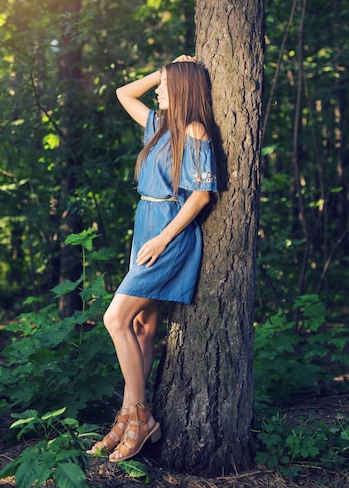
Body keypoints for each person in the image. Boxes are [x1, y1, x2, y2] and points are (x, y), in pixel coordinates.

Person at [87, 55, 218, 462]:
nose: (158, 89)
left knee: (115, 318)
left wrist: (162, 239)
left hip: (168, 233)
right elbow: (123, 93)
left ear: (181, 90)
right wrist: (164, 70)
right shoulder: (156, 126)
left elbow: (200, 195)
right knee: (142, 326)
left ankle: (140, 416)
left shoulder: (194, 130)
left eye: (164, 84)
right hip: (146, 224)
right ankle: (127, 417)